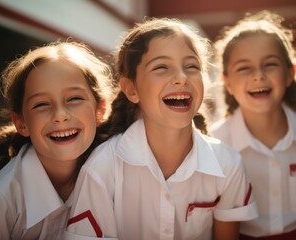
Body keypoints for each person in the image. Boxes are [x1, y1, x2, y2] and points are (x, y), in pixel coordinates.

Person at [64, 17, 258, 240]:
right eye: (161, 67)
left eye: (191, 66)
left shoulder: (228, 163)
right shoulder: (102, 169)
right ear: (131, 89)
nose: (181, 78)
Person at [0, 41, 116, 239]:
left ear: (100, 110)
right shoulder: (0, 199)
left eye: (74, 99)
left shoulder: (115, 175)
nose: (60, 115)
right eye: (41, 104)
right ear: (21, 122)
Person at [209, 10, 296, 239]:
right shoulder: (213, 146)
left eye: (270, 64)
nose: (258, 75)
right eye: (244, 68)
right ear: (226, 82)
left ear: (290, 73)